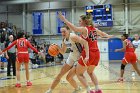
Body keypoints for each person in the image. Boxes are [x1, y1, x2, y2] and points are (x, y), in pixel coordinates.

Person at [58, 12, 113, 93]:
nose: (79, 22)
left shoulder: (85, 29)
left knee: (79, 74)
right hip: (96, 53)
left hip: (89, 53)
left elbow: (75, 29)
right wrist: (108, 36)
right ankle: (98, 89)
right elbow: (102, 34)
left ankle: (89, 90)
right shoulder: (94, 29)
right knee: (90, 72)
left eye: (80, 21)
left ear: (84, 22)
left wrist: (64, 20)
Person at [46, 25, 89, 93]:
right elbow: (63, 51)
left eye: (64, 31)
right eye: (61, 32)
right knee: (60, 74)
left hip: (79, 58)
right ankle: (50, 90)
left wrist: (87, 56)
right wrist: (57, 47)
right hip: (71, 57)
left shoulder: (73, 36)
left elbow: (85, 43)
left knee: (68, 77)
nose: (63, 33)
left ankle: (87, 89)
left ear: (69, 31)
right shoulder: (64, 39)